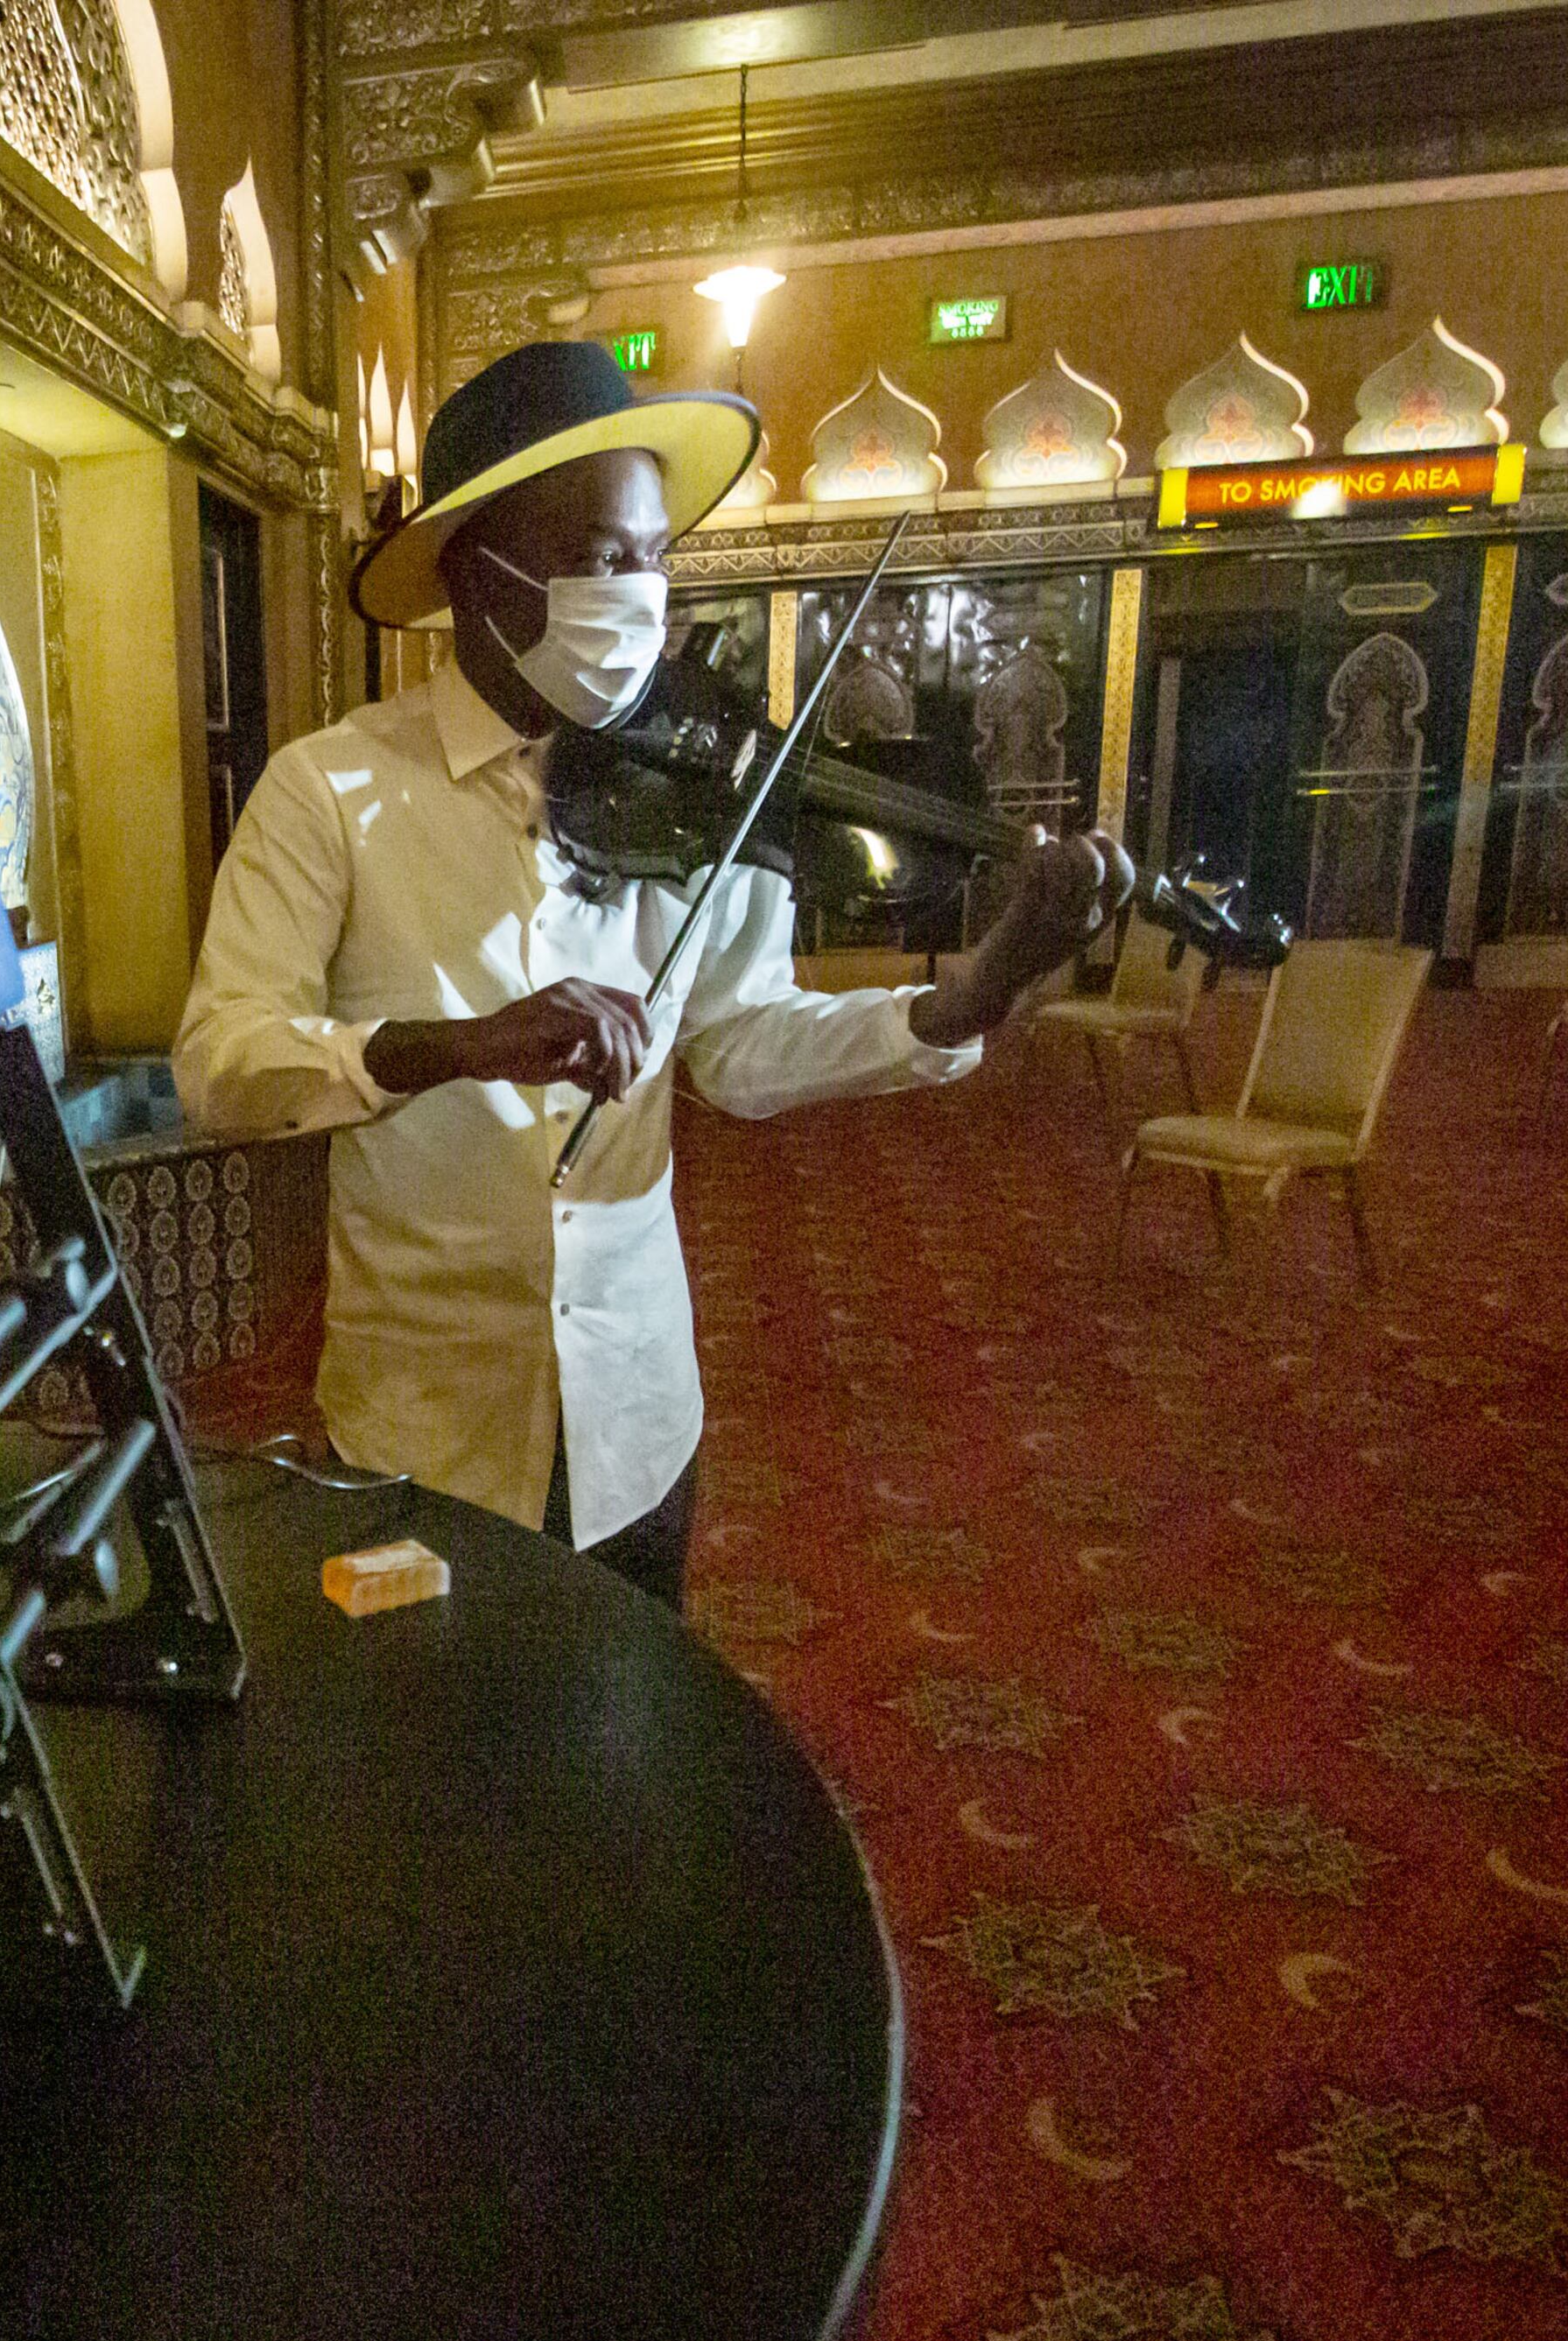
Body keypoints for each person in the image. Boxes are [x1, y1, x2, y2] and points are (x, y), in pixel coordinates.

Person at [174, 341, 1129, 1607]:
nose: (644, 596)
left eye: (653, 559)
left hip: (635, 1413)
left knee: (632, 1756)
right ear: (477, 571)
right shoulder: (329, 791)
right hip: (422, 1425)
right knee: (426, 1768)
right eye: (600, 560)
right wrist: (450, 1046)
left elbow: (737, 1043)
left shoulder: (699, 784)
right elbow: (220, 1065)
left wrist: (966, 999)